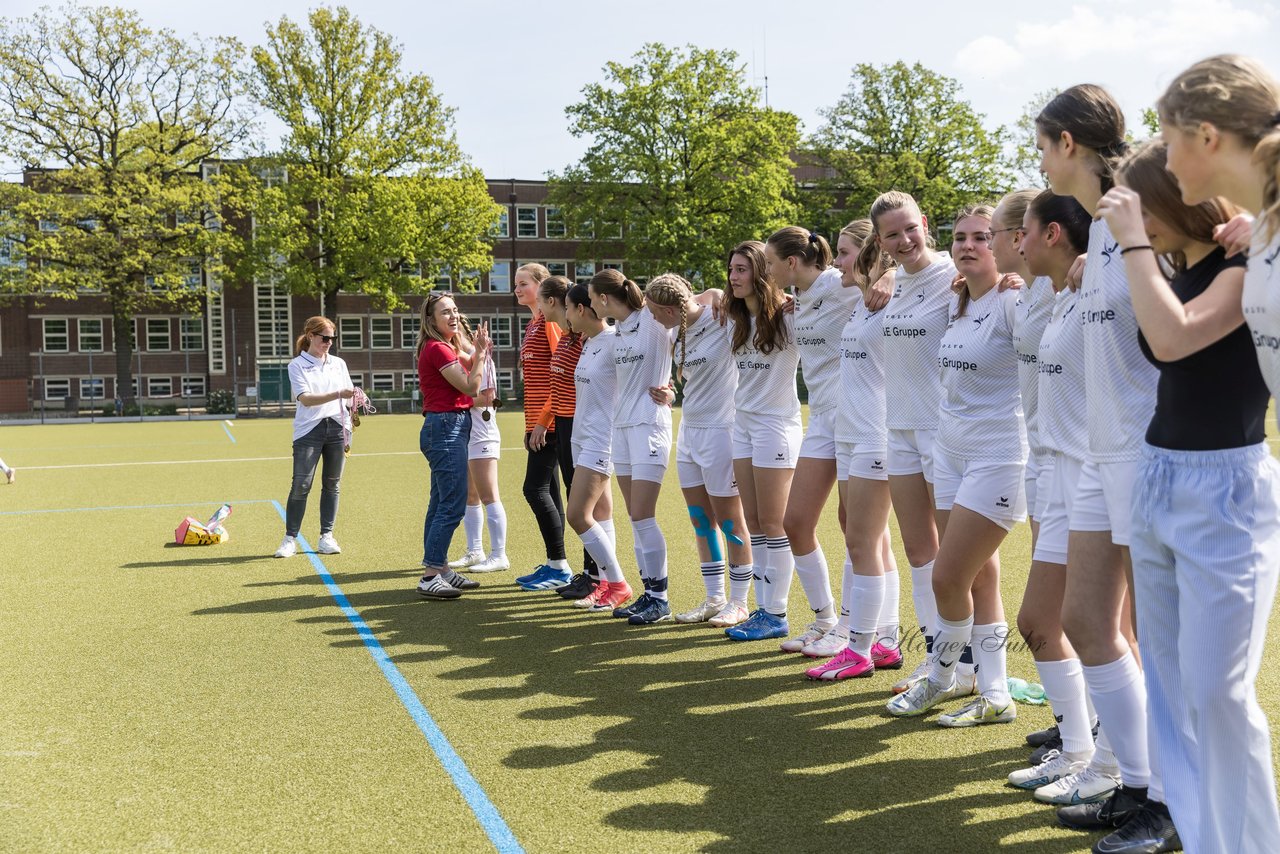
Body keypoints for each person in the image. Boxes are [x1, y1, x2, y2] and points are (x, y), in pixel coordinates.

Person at [1117, 78, 1280, 850]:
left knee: (1217, 695)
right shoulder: (1184, 266)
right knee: (1172, 690)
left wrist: (1129, 244)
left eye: (1136, 200)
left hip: (1226, 487)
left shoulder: (1243, 262)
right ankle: (1201, 835)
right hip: (1159, 474)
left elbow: (1178, 339)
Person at [1035, 84, 1176, 853]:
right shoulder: (1097, 238)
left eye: (1041, 143)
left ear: (1068, 144)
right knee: (1087, 622)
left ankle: (1169, 801)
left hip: (1148, 451)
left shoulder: (1141, 212)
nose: (1038, 158)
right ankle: (1139, 782)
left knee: (1156, 640)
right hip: (1098, 453)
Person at [886, 204, 1024, 728]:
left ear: (1003, 243)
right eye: (961, 237)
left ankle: (942, 676)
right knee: (978, 575)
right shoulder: (956, 300)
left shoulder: (1014, 298)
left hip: (999, 455)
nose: (968, 245)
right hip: (951, 454)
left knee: (948, 576)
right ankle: (993, 694)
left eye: (981, 238)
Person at [1011, 191, 1120, 806]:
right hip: (1053, 474)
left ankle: (1112, 762)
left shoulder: (1091, 290)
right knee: (1044, 623)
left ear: (1053, 234)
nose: (1017, 244)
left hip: (1087, 475)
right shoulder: (1052, 297)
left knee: (1090, 628)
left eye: (1023, 232)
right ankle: (1082, 750)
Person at [871, 191, 972, 696]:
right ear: (881, 241)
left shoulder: (956, 274)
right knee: (917, 550)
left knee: (957, 556)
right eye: (892, 233)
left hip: (944, 429)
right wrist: (887, 275)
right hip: (899, 428)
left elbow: (1006, 284)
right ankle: (939, 660)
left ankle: (971, 666)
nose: (905, 239)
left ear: (924, 223)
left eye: (910, 228)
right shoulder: (891, 283)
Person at [803, 220, 902, 680]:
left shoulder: (892, 294)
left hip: (877, 434)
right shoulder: (861, 304)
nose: (834, 261)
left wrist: (891, 273)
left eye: (843, 253)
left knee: (864, 539)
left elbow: (935, 272)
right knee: (866, 537)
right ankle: (884, 639)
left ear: (868, 255)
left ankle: (861, 647)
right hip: (850, 432)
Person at [643, 273, 753, 627]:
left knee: (730, 522)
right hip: (689, 433)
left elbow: (716, 296)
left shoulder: (723, 318)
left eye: (655, 312)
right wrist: (672, 394)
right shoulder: (677, 331)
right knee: (701, 521)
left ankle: (739, 602)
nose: (653, 319)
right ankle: (713, 599)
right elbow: (692, 380)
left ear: (668, 309)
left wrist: (717, 293)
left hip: (722, 432)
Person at [719, 241, 802, 642]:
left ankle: (776, 612)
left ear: (761, 272)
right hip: (744, 426)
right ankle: (764, 609)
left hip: (776, 426)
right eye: (731, 269)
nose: (734, 276)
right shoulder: (737, 320)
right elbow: (701, 298)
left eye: (742, 269)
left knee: (774, 523)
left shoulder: (788, 316)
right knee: (754, 524)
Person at [589, 269, 677, 625]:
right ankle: (649, 593)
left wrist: (672, 390)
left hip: (649, 427)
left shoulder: (654, 320)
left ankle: (661, 598)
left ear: (606, 298)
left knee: (643, 515)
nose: (591, 303)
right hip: (621, 430)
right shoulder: (619, 330)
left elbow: (691, 313)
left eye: (593, 297)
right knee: (635, 518)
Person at [415, 292, 492, 600]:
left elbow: (468, 380)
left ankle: (440, 568)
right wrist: (482, 354)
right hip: (445, 426)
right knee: (452, 504)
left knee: (440, 503)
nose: (453, 316)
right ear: (431, 319)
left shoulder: (445, 347)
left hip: (449, 425)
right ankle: (431, 574)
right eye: (445, 312)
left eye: (455, 310)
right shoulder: (437, 349)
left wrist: (476, 354)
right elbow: (471, 386)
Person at [563, 283, 635, 612]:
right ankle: (606, 585)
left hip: (601, 439)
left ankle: (618, 583)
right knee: (602, 514)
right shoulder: (589, 342)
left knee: (578, 515)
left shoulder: (613, 341)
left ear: (581, 309)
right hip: (582, 437)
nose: (565, 315)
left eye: (568, 308)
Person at [534, 275, 603, 597]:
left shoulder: (587, 340)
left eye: (538, 298)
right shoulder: (567, 338)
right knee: (575, 497)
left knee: (584, 506)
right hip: (564, 425)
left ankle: (596, 575)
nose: (536, 305)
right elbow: (557, 385)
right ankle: (590, 572)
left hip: (580, 425)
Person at [511, 263, 575, 590]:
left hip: (550, 423)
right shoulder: (535, 322)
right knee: (548, 490)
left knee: (533, 489)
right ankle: (556, 563)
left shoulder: (549, 324)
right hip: (538, 423)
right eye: (515, 284)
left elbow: (561, 374)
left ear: (542, 285)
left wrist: (542, 422)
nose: (517, 289)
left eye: (523, 283)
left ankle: (560, 566)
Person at [274, 316, 355, 559]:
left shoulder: (339, 363)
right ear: (310, 336)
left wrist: (355, 401)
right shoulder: (296, 365)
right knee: (301, 484)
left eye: (332, 338)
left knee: (332, 484)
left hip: (339, 428)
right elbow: (306, 398)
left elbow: (349, 396)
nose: (329, 342)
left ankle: (326, 537)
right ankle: (290, 539)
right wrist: (338, 393)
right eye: (325, 338)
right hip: (309, 431)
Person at [446, 323, 509, 575]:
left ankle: (499, 555)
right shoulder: (457, 358)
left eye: (454, 333)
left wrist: (455, 402)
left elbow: (488, 397)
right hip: (465, 433)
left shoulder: (481, 358)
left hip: (482, 434)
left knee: (489, 495)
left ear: (464, 332)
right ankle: (475, 551)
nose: (450, 338)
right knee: (470, 496)